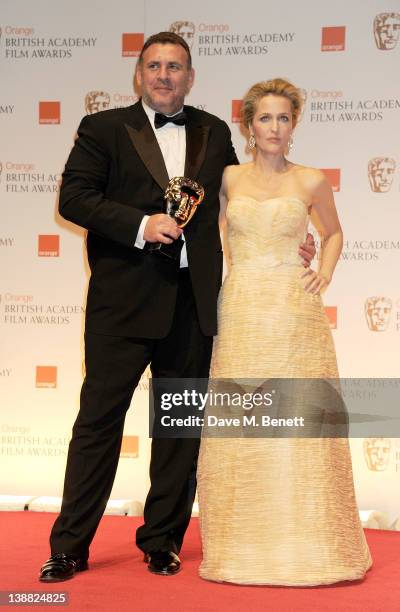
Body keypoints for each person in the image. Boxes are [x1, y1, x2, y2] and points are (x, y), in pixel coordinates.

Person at [38, 34, 313, 582]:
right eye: (155, 66)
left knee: (179, 429)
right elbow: (74, 198)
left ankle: (162, 540)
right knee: (97, 424)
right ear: (139, 75)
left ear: (191, 77)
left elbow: (247, 196)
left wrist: (291, 234)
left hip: (193, 303)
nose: (165, 75)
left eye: (176, 67)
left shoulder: (212, 132)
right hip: (122, 305)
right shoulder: (104, 129)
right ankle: (69, 547)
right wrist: (141, 225)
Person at [197, 78, 372, 585]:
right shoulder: (228, 178)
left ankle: (309, 542)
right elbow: (207, 235)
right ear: (249, 126)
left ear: (294, 124)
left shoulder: (312, 180)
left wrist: (325, 269)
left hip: (294, 312)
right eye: (265, 118)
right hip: (243, 310)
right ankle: (241, 545)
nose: (275, 128)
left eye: (284, 118)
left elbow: (334, 232)